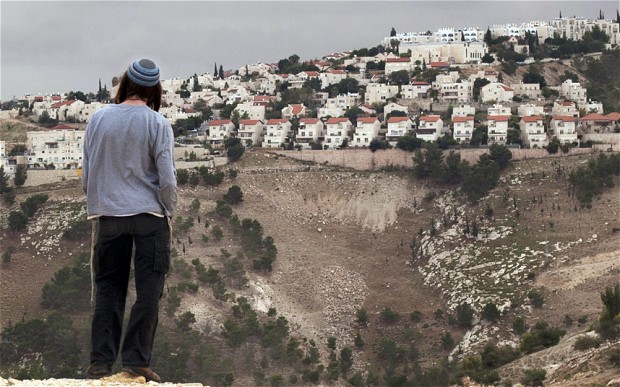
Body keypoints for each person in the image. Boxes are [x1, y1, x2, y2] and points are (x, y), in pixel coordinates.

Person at [82, 58, 177, 383]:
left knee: (109, 288)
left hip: (109, 217)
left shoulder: (98, 119)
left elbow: (88, 173)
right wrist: (169, 210)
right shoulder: (157, 124)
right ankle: (136, 360)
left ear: (124, 84)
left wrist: (100, 201)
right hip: (149, 217)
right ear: (154, 90)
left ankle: (101, 362)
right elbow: (166, 179)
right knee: (149, 290)